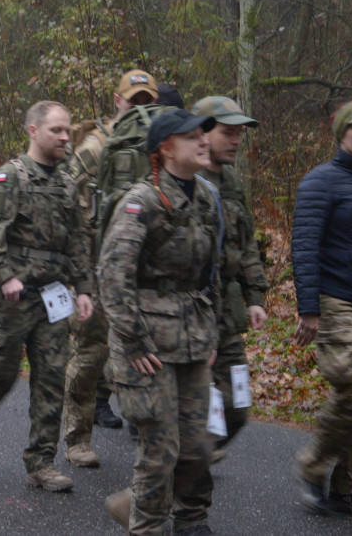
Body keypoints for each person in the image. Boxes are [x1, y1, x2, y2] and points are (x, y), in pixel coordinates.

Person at [0, 100, 94, 493]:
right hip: (9, 299)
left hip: (52, 298)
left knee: (51, 379)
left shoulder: (67, 182)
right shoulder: (10, 178)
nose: (65, 137)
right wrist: (5, 276)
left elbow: (78, 240)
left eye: (67, 130)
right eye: (56, 130)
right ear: (32, 131)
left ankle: (41, 463)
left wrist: (85, 288)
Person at [98, 108, 220, 535]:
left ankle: (191, 520)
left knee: (199, 445)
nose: (204, 141)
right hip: (146, 344)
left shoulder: (205, 197)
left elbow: (210, 273)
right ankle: (146, 527)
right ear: (166, 149)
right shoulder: (141, 201)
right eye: (193, 137)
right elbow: (113, 276)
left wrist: (212, 332)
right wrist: (132, 343)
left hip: (192, 338)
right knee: (161, 448)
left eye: (205, 135)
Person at [292, 100, 352, 519]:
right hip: (337, 300)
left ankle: (350, 486)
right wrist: (309, 308)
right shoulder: (320, 182)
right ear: (342, 135)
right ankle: (312, 464)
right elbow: (305, 247)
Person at [63, 69, 159, 468]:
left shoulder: (164, 144)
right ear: (116, 101)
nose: (138, 107)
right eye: (131, 99)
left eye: (145, 100)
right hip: (96, 267)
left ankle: (162, 447)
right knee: (90, 355)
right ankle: (76, 439)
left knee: (153, 356)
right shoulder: (97, 146)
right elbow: (66, 197)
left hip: (147, 274)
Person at [192, 96, 268, 465]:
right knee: (190, 411)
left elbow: (247, 242)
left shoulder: (232, 179)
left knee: (238, 405)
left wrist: (256, 296)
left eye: (240, 133)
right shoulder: (183, 178)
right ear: (203, 133)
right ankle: (167, 486)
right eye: (228, 132)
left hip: (228, 312)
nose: (236, 140)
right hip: (193, 314)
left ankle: (191, 463)